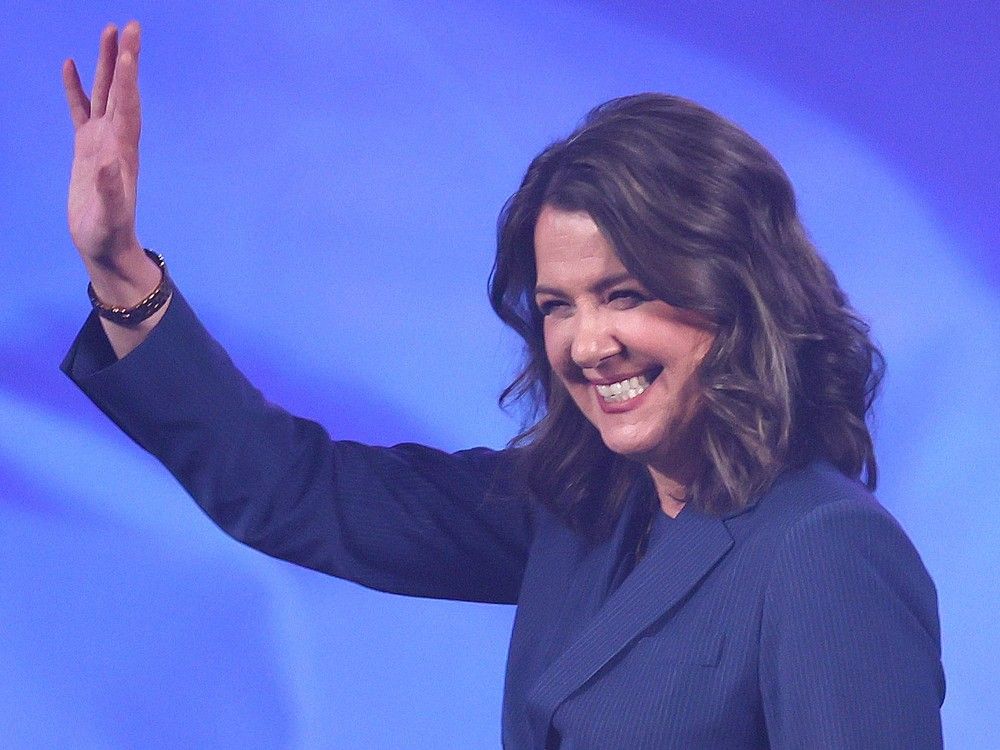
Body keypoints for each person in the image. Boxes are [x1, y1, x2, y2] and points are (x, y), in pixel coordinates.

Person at [61, 21, 945, 749]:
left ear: (735, 293)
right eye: (558, 306)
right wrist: (121, 271)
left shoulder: (825, 551)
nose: (588, 343)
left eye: (625, 294)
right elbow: (299, 491)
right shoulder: (580, 509)